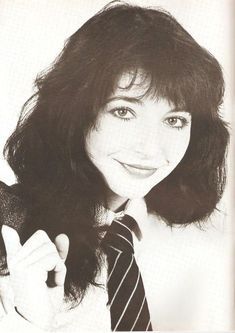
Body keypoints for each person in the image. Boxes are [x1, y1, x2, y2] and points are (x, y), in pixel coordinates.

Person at [0, 1, 230, 331]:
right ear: (75, 114)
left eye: (175, 120)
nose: (151, 148)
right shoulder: (9, 229)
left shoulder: (203, 251)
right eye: (123, 112)